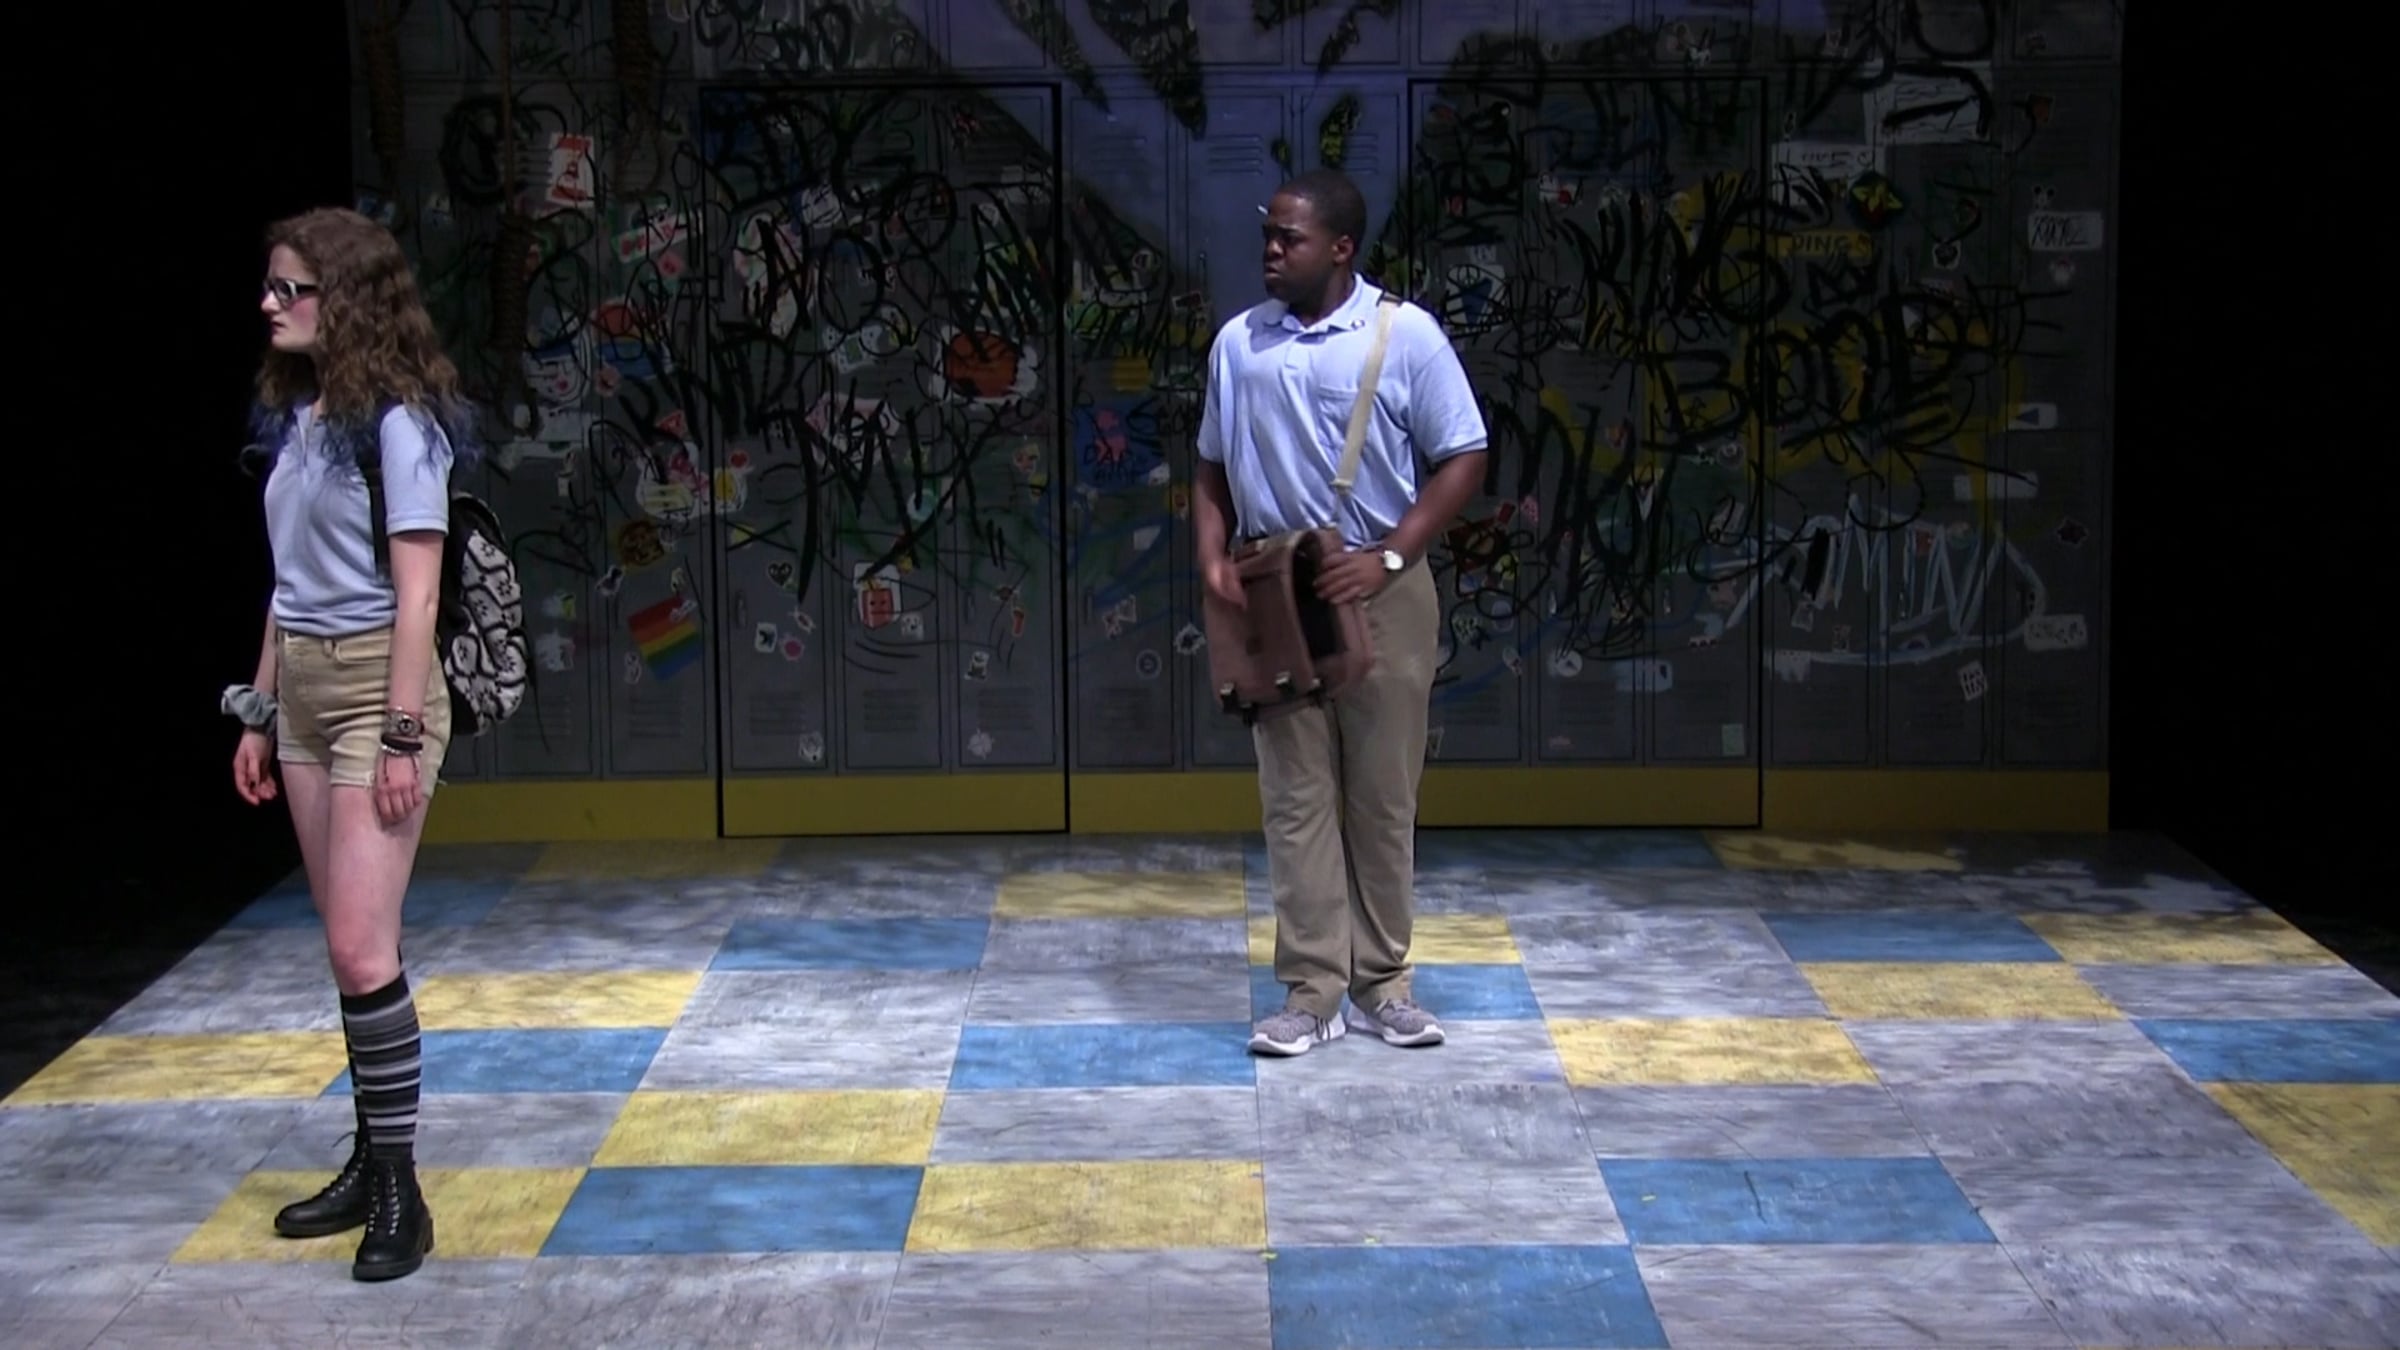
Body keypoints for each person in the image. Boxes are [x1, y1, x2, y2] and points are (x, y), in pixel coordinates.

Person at [223, 206, 479, 1281]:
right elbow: (286, 588)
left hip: (381, 681)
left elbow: (417, 596)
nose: (269, 304)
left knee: (365, 950)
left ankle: (400, 1194)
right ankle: (370, 1160)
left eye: (291, 288)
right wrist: (260, 707)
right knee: (347, 948)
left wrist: (403, 734)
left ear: (350, 298)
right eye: (271, 286)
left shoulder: (401, 425)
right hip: (305, 690)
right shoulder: (297, 417)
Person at [1193, 170, 1489, 1057]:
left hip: (1379, 589)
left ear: (1341, 248)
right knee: (1295, 799)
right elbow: (1210, 463)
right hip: (1277, 589)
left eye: (1290, 238)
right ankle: (1312, 990)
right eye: (1269, 236)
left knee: (1382, 796)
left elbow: (1464, 454)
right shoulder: (1240, 342)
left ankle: (1383, 984)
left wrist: (1391, 555)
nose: (1271, 251)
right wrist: (1212, 553)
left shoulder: (1405, 335)